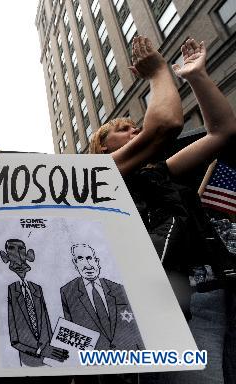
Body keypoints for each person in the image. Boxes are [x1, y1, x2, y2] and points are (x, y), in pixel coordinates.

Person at [90, 37, 236, 383]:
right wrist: (158, 71)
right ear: (100, 149)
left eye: (134, 126)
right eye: (123, 130)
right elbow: (164, 126)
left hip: (216, 290)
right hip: (171, 304)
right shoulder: (102, 177)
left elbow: (222, 131)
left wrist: (196, 76)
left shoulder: (159, 173)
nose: (134, 130)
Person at [0, 238, 69, 367]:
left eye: (21, 249)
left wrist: (52, 348)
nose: (17, 253)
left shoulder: (36, 288)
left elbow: (46, 324)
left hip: (49, 355)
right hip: (28, 359)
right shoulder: (10, 288)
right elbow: (14, 338)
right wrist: (39, 351)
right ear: (6, 255)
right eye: (12, 249)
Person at [60, 244, 144, 350]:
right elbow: (71, 333)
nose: (88, 265)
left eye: (90, 258)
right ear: (75, 264)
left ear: (97, 261)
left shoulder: (118, 288)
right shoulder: (67, 292)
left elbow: (136, 326)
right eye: (81, 259)